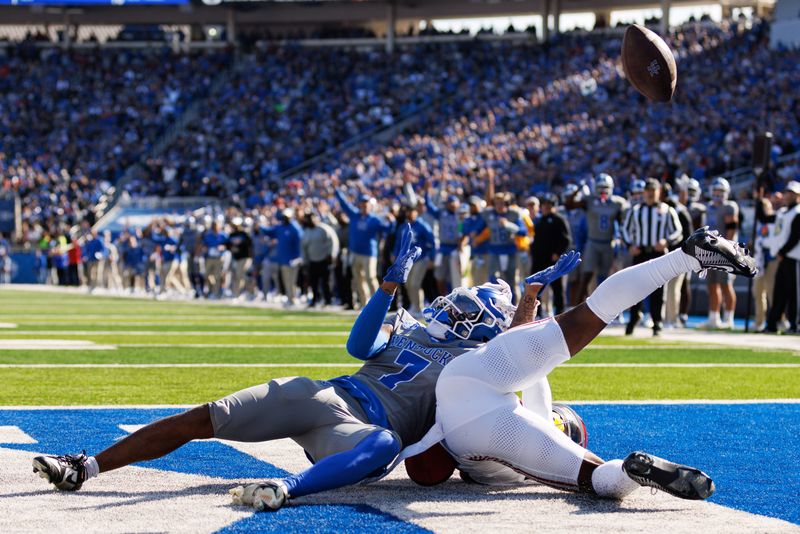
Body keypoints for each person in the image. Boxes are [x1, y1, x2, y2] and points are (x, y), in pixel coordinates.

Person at [30, 225, 486, 511]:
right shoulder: (409, 325)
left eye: (465, 307)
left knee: (385, 443)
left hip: (358, 432)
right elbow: (357, 345)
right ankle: (84, 467)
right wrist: (387, 286)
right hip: (325, 393)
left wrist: (528, 306)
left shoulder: (481, 362)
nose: (449, 306)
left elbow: (516, 359)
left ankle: (285, 488)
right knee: (203, 416)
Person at [395, 226, 756, 498]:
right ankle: (632, 473)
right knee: (601, 478)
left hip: (463, 399)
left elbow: (428, 469)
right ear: (566, 430)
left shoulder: (533, 410)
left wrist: (529, 305)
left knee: (593, 312)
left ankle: (684, 257)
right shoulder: (535, 415)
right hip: (471, 421)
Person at [621, 179, 683, 336]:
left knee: (658, 290)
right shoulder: (635, 211)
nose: (650, 193)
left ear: (658, 191)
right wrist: (630, 246)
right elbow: (625, 230)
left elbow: (677, 231)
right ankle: (633, 319)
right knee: (636, 289)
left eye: (653, 190)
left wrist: (666, 241)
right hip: (640, 252)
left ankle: (657, 322)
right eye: (647, 190)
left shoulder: (667, 210)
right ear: (643, 192)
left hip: (658, 254)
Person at [565, 173, 628, 304]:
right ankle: (576, 308)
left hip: (608, 243)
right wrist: (579, 188)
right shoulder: (589, 201)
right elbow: (569, 205)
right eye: (600, 187)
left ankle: (606, 307)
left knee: (606, 278)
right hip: (592, 243)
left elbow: (626, 220)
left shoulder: (617, 203)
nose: (603, 191)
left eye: (605, 187)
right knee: (586, 276)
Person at [334, 188, 395, 309]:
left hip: (369, 253)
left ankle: (378, 303)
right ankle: (365, 304)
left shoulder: (375, 219)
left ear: (370, 206)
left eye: (366, 203)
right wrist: (337, 190)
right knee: (358, 280)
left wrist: (392, 221)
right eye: (362, 203)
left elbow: (388, 230)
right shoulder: (354, 215)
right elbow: (344, 204)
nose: (364, 205)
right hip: (355, 253)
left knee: (370, 277)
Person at [701, 177, 739, 329]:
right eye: (716, 191)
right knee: (711, 285)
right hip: (710, 252)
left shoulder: (729, 207)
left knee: (725, 285)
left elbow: (731, 230)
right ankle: (714, 317)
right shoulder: (709, 208)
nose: (718, 194)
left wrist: (727, 250)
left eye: (721, 191)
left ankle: (729, 319)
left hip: (725, 252)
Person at [764, 181, 800, 333]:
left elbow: (795, 237)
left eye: (791, 193)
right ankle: (772, 324)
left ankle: (795, 324)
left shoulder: (798, 212)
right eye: (786, 192)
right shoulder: (783, 212)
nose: (787, 195)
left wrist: (781, 252)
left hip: (794, 258)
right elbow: (765, 218)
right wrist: (762, 200)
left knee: (795, 294)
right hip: (783, 258)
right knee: (779, 293)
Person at [529, 193, 572, 317]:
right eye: (544, 205)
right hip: (538, 259)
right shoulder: (539, 221)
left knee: (557, 288)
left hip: (552, 260)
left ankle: (560, 314)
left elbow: (566, 239)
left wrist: (558, 253)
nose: (546, 207)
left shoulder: (559, 220)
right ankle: (537, 313)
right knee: (536, 287)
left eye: (549, 205)